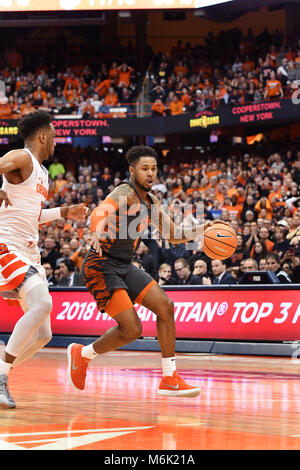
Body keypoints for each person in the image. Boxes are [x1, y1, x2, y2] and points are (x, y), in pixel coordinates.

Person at [67, 145, 229, 397]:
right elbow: (101, 210)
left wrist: (203, 229)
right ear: (132, 171)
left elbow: (174, 236)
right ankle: (83, 354)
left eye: (153, 168)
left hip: (123, 264)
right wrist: (97, 230)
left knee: (165, 306)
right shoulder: (125, 191)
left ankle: (169, 377)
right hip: (101, 265)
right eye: (144, 169)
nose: (150, 173)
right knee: (132, 329)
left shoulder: (152, 201)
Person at [0, 110, 88, 409]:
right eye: (54, 136)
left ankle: (1, 370)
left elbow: (33, 214)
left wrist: (65, 212)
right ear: (42, 136)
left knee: (43, 334)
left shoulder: (42, 173)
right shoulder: (21, 157)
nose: (56, 143)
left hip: (29, 251)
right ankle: (1, 379)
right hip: (6, 245)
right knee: (43, 305)